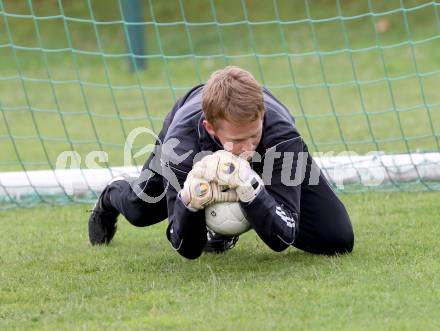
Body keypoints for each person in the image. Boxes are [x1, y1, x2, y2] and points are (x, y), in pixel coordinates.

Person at [88, 66, 354, 259]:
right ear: (212, 129)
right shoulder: (180, 147)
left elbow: (283, 237)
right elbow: (185, 249)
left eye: (254, 135)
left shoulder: (281, 137)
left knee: (336, 238)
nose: (248, 147)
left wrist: (251, 189)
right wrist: (189, 203)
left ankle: (223, 231)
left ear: (262, 116)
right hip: (186, 130)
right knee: (140, 210)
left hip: (272, 157)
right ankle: (112, 194)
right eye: (238, 139)